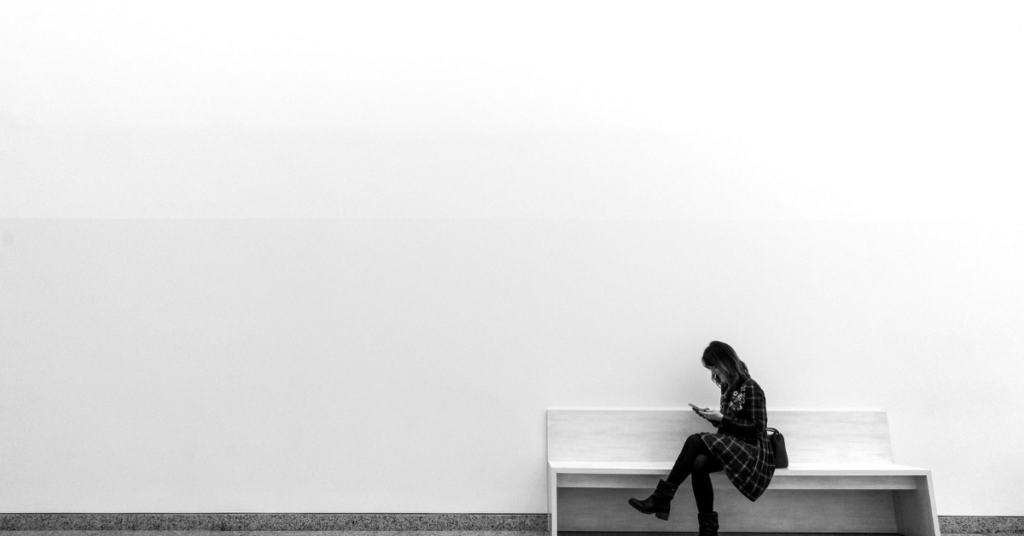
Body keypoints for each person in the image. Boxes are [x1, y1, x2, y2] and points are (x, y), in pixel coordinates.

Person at [628, 341, 775, 536]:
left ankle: (661, 498)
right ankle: (708, 531)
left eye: (713, 367)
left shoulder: (750, 387)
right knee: (699, 462)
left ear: (725, 362)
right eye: (709, 369)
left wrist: (723, 418)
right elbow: (732, 424)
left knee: (694, 440)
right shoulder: (727, 387)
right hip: (734, 446)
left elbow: (757, 429)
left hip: (752, 451)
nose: (713, 373)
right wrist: (713, 418)